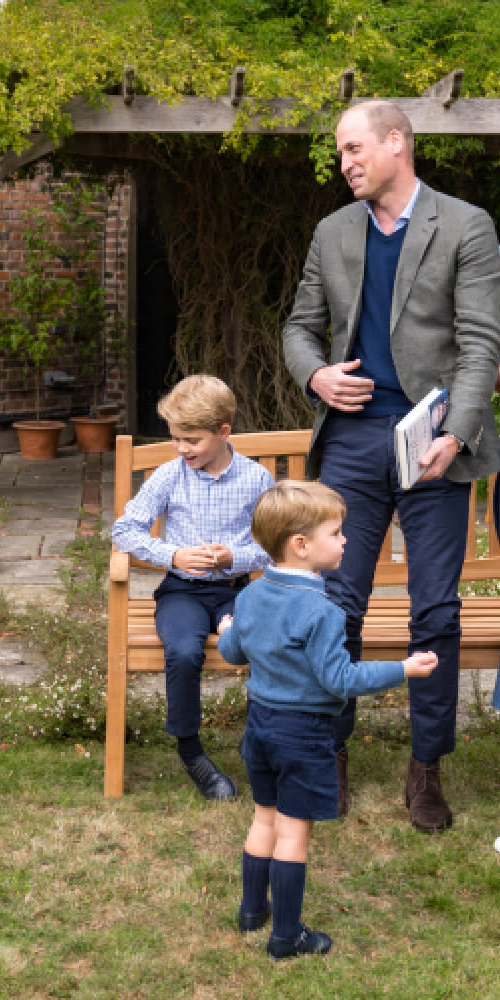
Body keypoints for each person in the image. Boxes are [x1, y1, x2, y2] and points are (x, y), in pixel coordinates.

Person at [283, 99, 500, 831]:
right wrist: (316, 376)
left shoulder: (466, 225)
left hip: (434, 446)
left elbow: (480, 345)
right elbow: (297, 327)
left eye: (354, 148)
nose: (344, 162)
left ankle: (426, 769)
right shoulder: (331, 232)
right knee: (335, 607)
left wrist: (460, 435)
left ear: (397, 144)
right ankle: (330, 753)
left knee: (435, 610)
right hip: (350, 443)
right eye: (340, 151)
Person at [217, 480, 437, 960]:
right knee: (293, 833)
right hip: (304, 734)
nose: (344, 542)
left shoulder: (252, 595)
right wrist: (403, 668)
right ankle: (287, 937)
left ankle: (252, 913)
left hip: (260, 726)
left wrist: (225, 628)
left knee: (263, 817)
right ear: (301, 546)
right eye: (336, 533)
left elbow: (234, 652)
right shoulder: (323, 611)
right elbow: (340, 679)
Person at [111, 374, 273, 799]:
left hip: (238, 592)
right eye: (176, 439)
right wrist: (172, 555)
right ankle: (191, 752)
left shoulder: (256, 480)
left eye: (192, 440)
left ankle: (258, 744)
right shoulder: (169, 476)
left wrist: (232, 557)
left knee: (260, 643)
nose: (182, 448)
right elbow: (125, 531)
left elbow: (274, 547)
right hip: (182, 592)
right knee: (183, 652)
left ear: (223, 432)